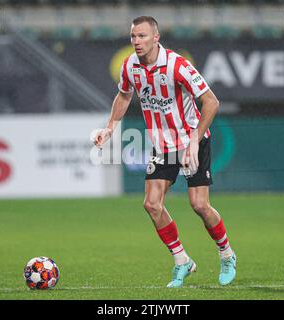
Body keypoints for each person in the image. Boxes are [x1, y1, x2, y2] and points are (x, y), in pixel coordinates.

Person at [94, 16, 236, 288]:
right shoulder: (129, 66)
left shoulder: (177, 65)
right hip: (163, 145)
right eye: (133, 36)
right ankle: (182, 260)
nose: (136, 41)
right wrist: (110, 127)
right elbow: (124, 95)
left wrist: (194, 139)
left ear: (156, 38)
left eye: (142, 36)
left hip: (191, 140)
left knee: (199, 205)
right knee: (151, 204)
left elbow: (211, 102)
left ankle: (227, 253)